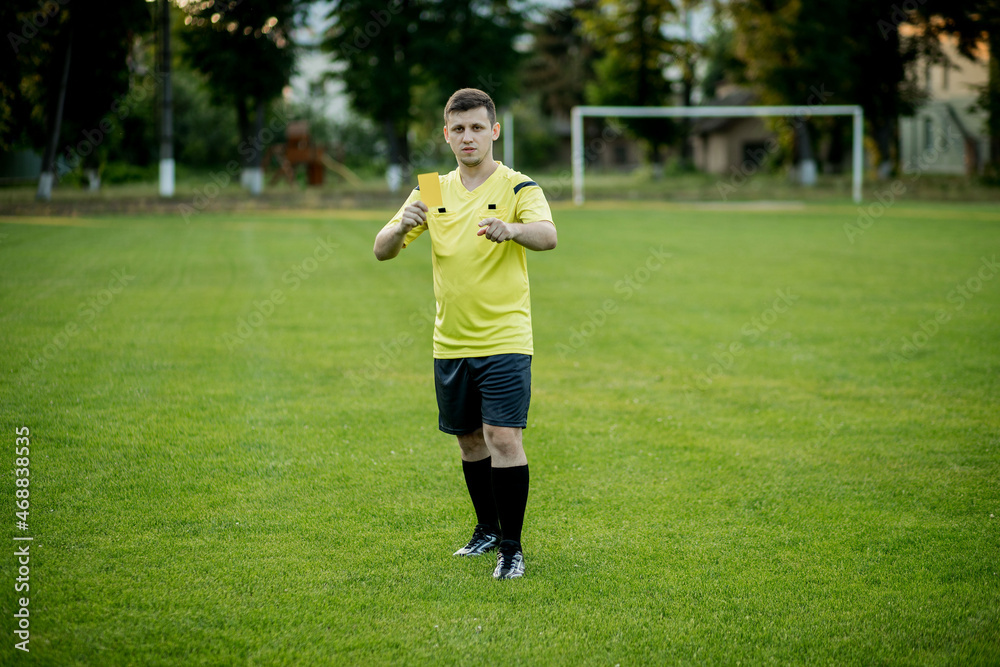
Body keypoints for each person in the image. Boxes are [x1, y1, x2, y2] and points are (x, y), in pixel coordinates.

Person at [373, 88, 557, 580]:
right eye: (459, 129)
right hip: (450, 342)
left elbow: (548, 235)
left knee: (503, 436)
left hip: (506, 338)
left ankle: (512, 550)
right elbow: (381, 249)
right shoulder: (430, 189)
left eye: (478, 127)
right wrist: (398, 228)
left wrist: (513, 231)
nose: (468, 137)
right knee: (470, 441)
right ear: (447, 135)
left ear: (494, 131)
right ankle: (485, 530)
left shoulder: (520, 187)